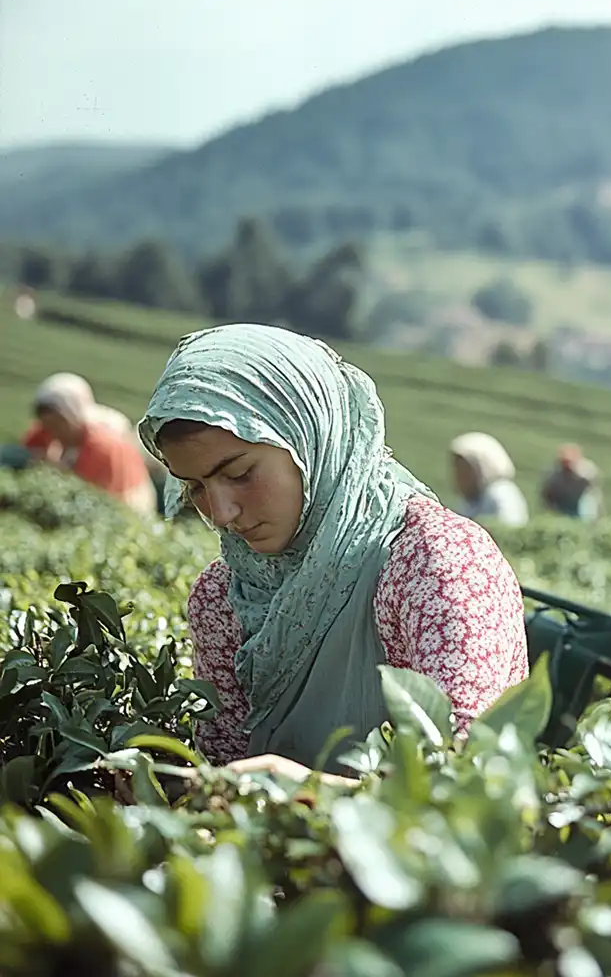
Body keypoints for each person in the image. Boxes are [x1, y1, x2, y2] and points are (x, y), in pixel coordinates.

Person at [138, 323, 529, 779]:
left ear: (310, 439)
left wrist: (307, 789)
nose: (221, 513)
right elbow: (223, 764)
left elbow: (467, 779)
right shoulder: (223, 597)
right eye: (196, 488)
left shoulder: (433, 561)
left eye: (241, 473)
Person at [22, 373, 157, 516]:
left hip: (127, 511)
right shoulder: (55, 430)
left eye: (57, 425)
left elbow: (89, 498)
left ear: (72, 416)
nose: (53, 432)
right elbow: (31, 448)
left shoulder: (104, 447)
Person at [449, 432, 530, 529]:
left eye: (465, 470)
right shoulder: (470, 501)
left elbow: (508, 528)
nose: (459, 477)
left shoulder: (501, 494)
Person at [540, 443, 602, 521]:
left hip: (581, 500)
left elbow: (592, 488)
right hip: (562, 502)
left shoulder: (585, 470)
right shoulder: (554, 473)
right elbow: (547, 492)